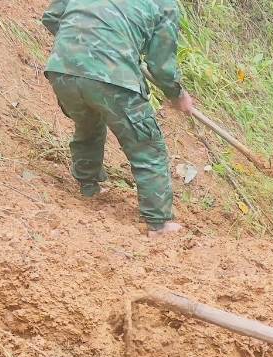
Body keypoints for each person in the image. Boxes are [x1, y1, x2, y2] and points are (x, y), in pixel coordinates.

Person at [41, 0, 194, 237]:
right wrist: (177, 94)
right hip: (113, 77)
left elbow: (51, 16)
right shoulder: (164, 4)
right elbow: (161, 66)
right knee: (147, 147)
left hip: (62, 70)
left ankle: (88, 187)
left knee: (88, 126)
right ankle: (158, 224)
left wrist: (82, 45)